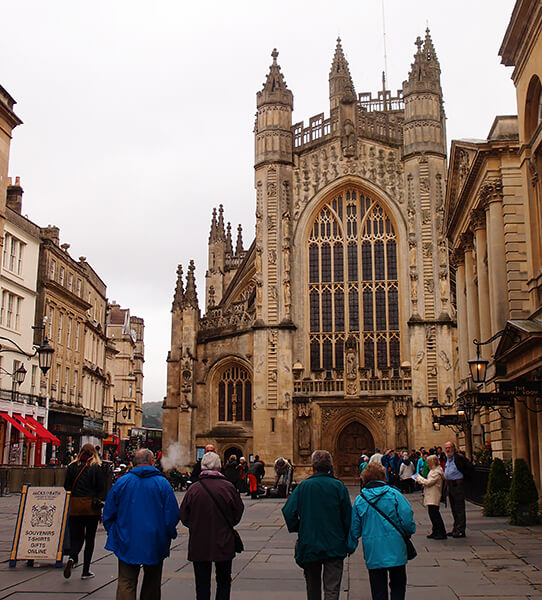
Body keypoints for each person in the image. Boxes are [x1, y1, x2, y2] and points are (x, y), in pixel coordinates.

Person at [103, 448, 179, 600]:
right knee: (152, 582)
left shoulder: (122, 482)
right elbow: (172, 515)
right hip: (155, 540)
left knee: (126, 581)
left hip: (126, 538)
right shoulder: (162, 483)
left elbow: (109, 512)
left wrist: (115, 532)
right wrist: (168, 533)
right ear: (152, 462)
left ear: (133, 463)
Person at [282, 450, 352, 600]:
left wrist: (300, 527)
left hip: (310, 543)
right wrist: (344, 536)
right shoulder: (339, 486)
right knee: (332, 590)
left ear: (313, 466)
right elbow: (348, 517)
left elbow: (288, 512)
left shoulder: (304, 486)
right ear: (330, 466)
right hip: (334, 544)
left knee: (312, 588)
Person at [179, 452, 244, 600]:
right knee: (224, 581)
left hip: (199, 542)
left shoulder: (194, 489)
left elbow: (184, 516)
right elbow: (238, 512)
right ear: (220, 467)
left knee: (202, 583)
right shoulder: (228, 487)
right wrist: (227, 524)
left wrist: (196, 526)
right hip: (224, 541)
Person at [348, 462, 416, 600]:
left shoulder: (360, 500)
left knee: (378, 589)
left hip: (373, 551)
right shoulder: (395, 494)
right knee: (398, 585)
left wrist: (349, 547)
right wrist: (408, 532)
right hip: (396, 548)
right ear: (383, 477)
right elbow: (407, 519)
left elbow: (354, 528)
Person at [63, 443, 106, 580]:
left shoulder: (72, 467)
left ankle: (72, 558)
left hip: (75, 506)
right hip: (90, 507)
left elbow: (67, 486)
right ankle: (86, 570)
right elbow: (101, 487)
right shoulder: (96, 467)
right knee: (90, 539)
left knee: (77, 537)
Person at [444, 441, 473, 538]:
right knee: (454, 508)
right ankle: (456, 528)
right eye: (446, 448)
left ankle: (461, 530)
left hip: (458, 484)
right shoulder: (448, 459)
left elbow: (469, 467)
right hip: (450, 485)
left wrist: (465, 479)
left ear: (454, 448)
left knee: (459, 508)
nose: (448, 450)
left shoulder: (459, 458)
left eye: (449, 447)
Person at [414, 455, 446, 539]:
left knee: (435, 514)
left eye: (428, 462)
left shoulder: (436, 472)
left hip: (434, 494)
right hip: (431, 494)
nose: (427, 464)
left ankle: (441, 532)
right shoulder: (434, 470)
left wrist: (419, 479)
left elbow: (429, 482)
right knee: (433, 514)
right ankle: (435, 531)